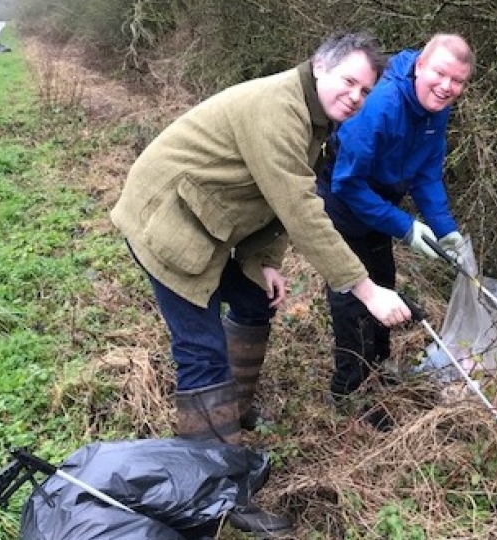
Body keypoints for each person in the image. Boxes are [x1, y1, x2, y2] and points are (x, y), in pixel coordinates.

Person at [110, 32, 412, 537]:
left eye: (365, 90)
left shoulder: (313, 117)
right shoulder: (279, 109)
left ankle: (238, 407)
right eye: (348, 81)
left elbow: (272, 196)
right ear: (320, 66)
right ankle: (215, 495)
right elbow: (299, 208)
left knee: (253, 297)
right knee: (201, 354)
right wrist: (368, 289)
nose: (356, 97)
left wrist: (265, 261)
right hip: (165, 220)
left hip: (205, 216)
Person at [317, 33, 475, 425]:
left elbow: (426, 172)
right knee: (353, 292)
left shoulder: (436, 108)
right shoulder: (381, 104)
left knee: (384, 279)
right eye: (440, 74)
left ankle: (379, 371)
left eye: (457, 81)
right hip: (344, 196)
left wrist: (444, 229)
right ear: (420, 65)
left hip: (380, 200)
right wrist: (405, 226)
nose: (446, 87)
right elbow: (347, 183)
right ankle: (350, 391)